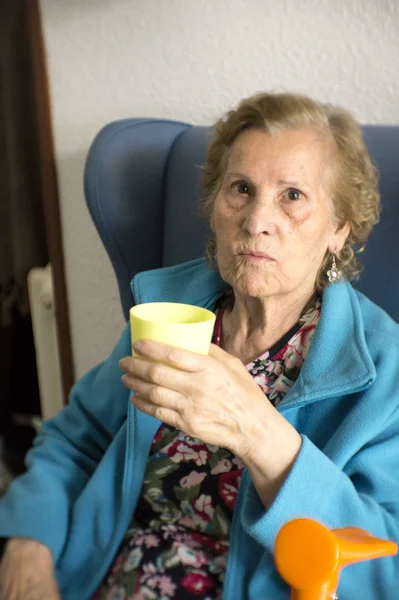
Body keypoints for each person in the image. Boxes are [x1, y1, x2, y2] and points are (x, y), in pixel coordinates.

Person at [0, 92, 398, 600]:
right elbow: (77, 441)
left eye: (293, 196)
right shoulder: (172, 311)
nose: (256, 220)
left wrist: (259, 434)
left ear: (338, 229)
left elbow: (385, 565)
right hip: (97, 577)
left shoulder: (381, 370)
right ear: (215, 208)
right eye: (241, 189)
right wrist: (28, 547)